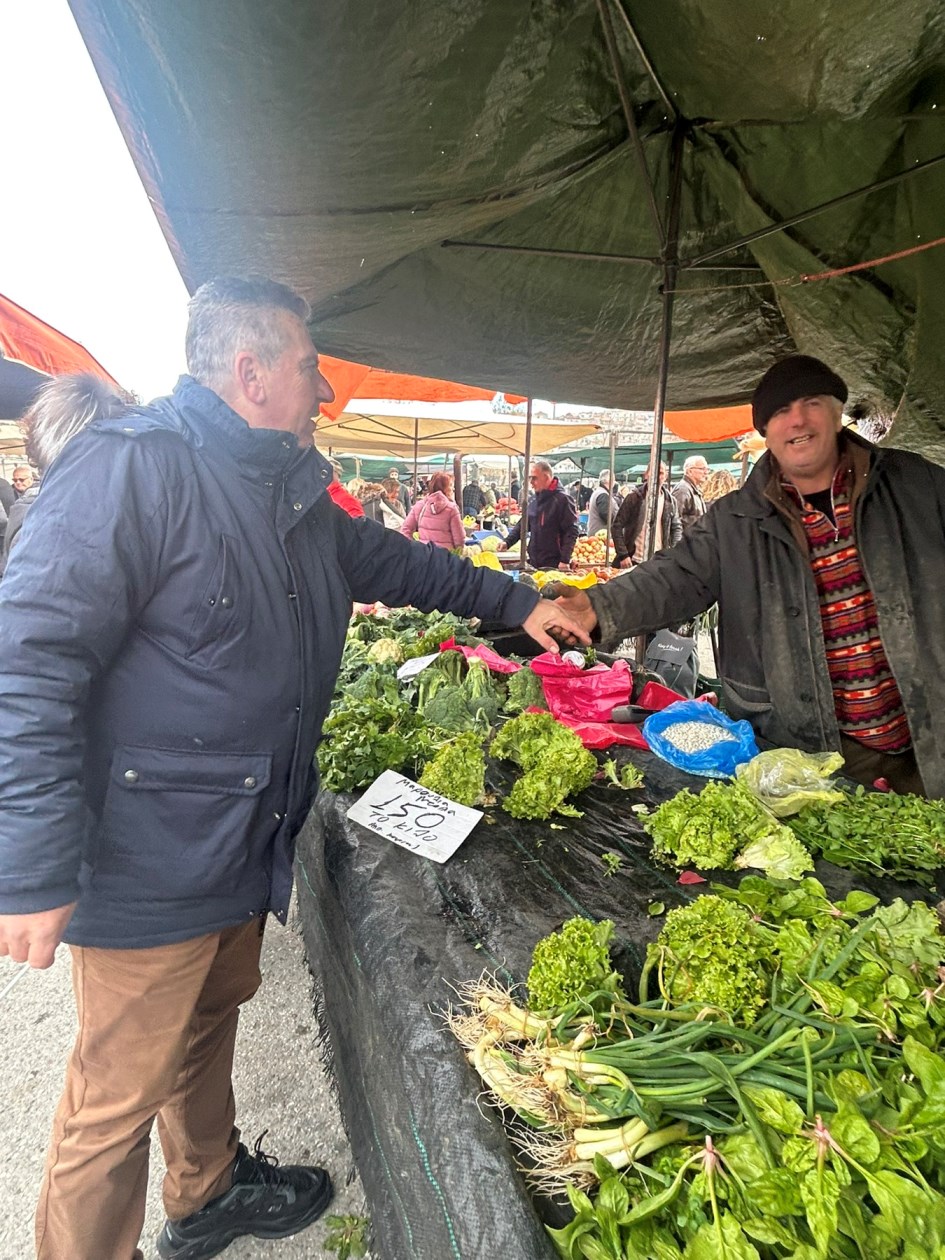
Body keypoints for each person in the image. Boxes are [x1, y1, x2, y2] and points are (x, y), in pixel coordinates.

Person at [0, 276, 588, 1260]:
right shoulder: (130, 468)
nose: (324, 393)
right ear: (253, 370)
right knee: (112, 1104)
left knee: (207, 1022)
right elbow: (28, 655)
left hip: (241, 840)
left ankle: (206, 1192)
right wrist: (29, 858)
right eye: (312, 369)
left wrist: (518, 600)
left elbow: (407, 567)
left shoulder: (290, 492)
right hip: (145, 853)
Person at [552, 353, 945, 797]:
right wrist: (599, 605)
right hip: (806, 751)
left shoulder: (918, 487)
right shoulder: (734, 520)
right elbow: (674, 576)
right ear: (765, 431)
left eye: (811, 402)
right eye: (779, 411)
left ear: (838, 412)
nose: (796, 420)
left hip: (927, 742)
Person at [498, 459, 579, 570]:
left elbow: (571, 531)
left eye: (534, 478)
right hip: (534, 562)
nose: (531, 482)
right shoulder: (534, 500)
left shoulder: (562, 500)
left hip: (554, 564)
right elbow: (523, 524)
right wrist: (507, 542)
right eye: (530, 478)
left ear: (546, 477)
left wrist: (564, 560)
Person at [611, 462, 682, 567]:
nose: (657, 477)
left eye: (661, 473)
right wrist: (623, 555)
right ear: (646, 475)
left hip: (659, 562)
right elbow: (616, 526)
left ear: (666, 476)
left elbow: (676, 528)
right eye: (654, 472)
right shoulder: (634, 498)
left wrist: (673, 552)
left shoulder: (670, 501)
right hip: (634, 560)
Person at [399, 471, 465, 549]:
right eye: (450, 485)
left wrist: (415, 548)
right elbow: (459, 540)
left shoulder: (419, 505)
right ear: (444, 488)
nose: (453, 488)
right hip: (445, 557)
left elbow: (405, 530)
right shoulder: (452, 509)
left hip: (425, 555)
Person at [671, 455, 710, 533]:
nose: (706, 472)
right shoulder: (683, 490)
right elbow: (675, 520)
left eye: (707, 469)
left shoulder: (693, 489)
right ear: (689, 471)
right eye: (702, 469)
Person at [585, 470, 620, 539]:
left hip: (597, 535)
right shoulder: (603, 495)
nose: (614, 482)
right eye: (613, 479)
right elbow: (607, 516)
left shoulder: (599, 492)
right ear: (608, 480)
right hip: (600, 537)